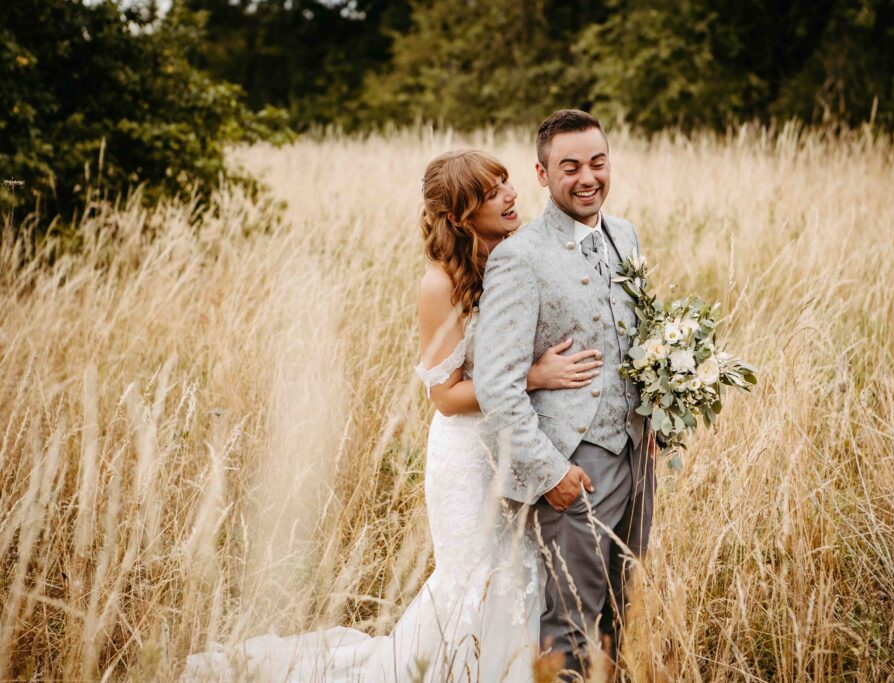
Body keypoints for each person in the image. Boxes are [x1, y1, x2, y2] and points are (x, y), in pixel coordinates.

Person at [181, 149, 604, 682]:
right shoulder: (441, 283)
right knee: (477, 579)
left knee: (521, 574)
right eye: (493, 191)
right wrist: (533, 377)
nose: (511, 194)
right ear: (459, 215)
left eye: (506, 182)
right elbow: (445, 396)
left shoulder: (519, 256)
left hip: (516, 444)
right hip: (468, 455)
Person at [474, 109, 656, 678]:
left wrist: (655, 424)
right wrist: (550, 472)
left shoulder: (624, 233)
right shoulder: (518, 257)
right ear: (542, 172)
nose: (587, 178)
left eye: (597, 163)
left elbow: (640, 338)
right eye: (570, 166)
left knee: (625, 612)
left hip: (636, 453)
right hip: (573, 465)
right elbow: (496, 385)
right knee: (571, 620)